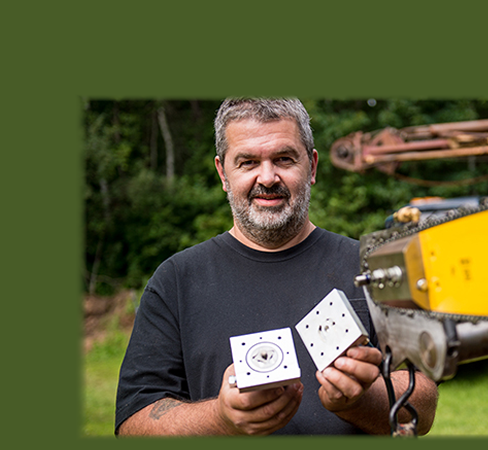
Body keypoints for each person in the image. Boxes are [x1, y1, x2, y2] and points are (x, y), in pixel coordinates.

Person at [114, 98, 438, 436]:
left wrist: (359, 400)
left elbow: (424, 407)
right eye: (248, 162)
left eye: (284, 158)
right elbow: (133, 425)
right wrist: (221, 419)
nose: (267, 178)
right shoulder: (177, 281)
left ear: (311, 167)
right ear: (223, 173)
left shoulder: (373, 267)